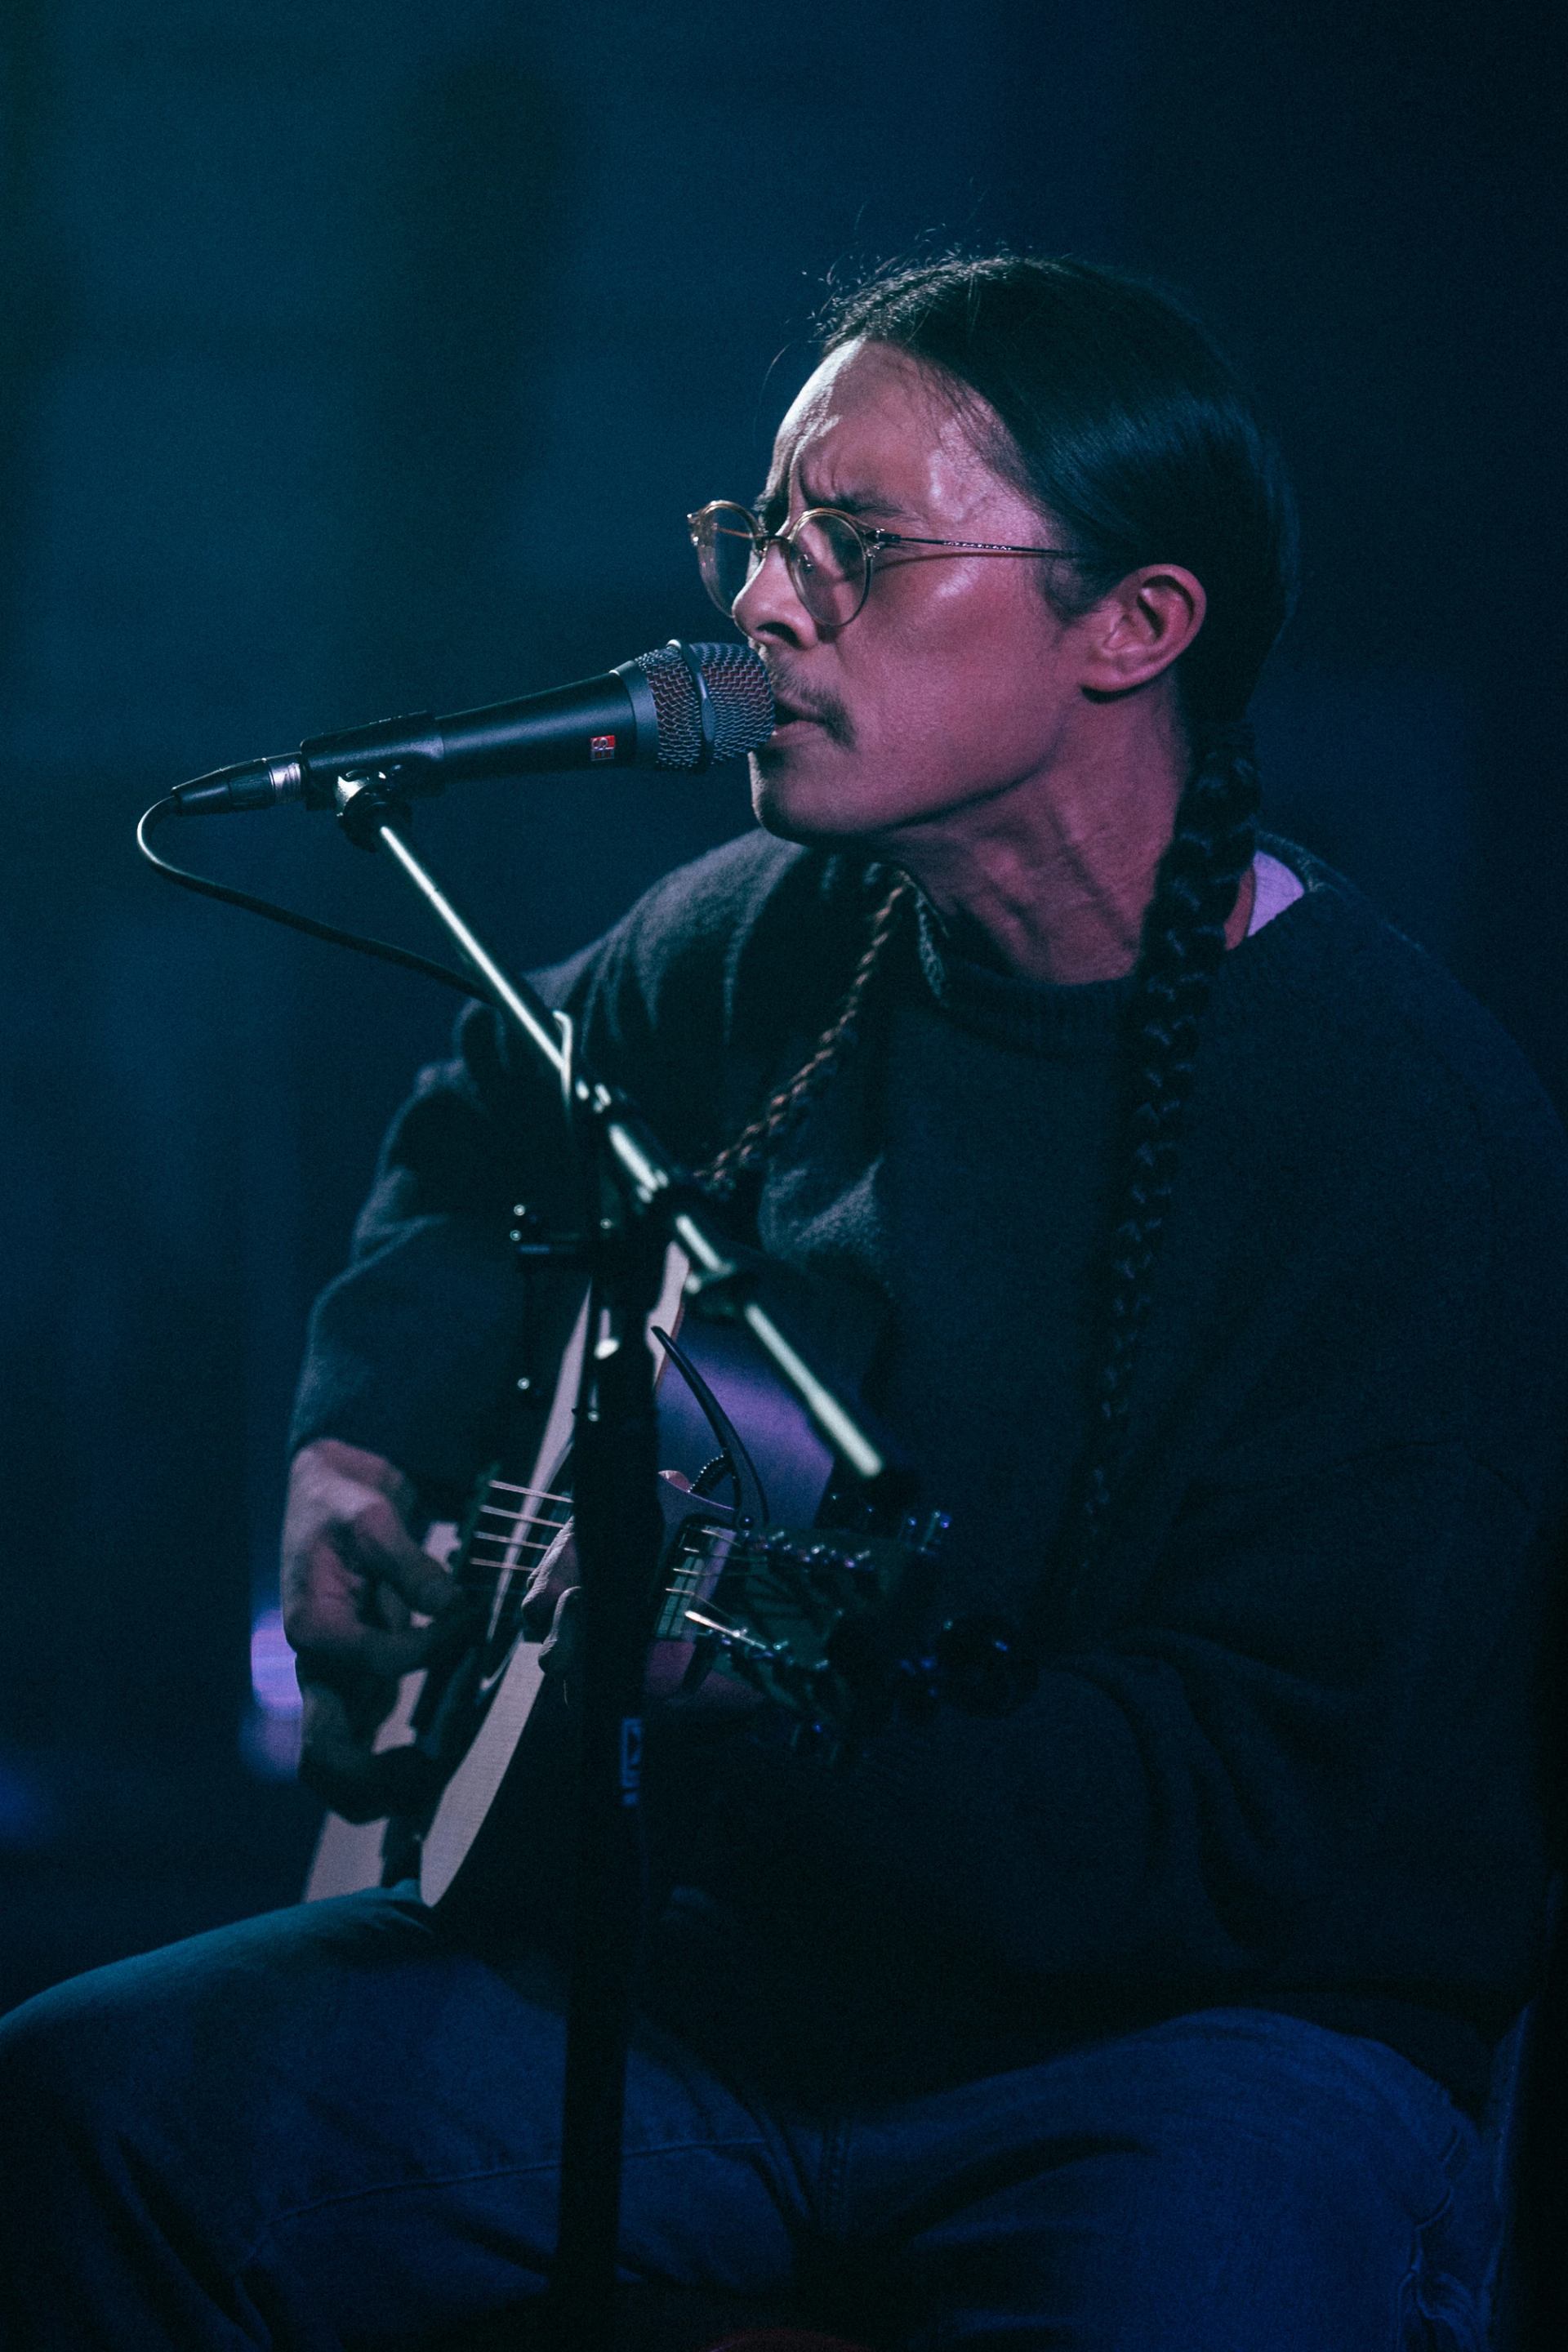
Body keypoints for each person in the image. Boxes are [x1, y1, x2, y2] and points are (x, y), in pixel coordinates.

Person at [2, 252, 1566, 2351]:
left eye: (858, 549)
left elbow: (1253, 1820)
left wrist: (756, 1712)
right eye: (761, 532)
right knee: (90, 2114)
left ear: (1133, 627)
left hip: (1209, 2046)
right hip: (741, 1992)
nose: (757, 605)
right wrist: (360, 1441)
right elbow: (489, 1123)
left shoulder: (1403, 1140)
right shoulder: (771, 934)